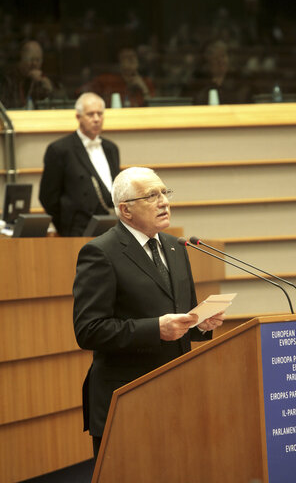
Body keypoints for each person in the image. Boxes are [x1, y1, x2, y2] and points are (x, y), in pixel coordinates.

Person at [73, 166, 225, 459]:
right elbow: (88, 330)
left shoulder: (175, 247)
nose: (164, 201)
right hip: (127, 399)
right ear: (125, 210)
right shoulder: (100, 253)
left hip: (176, 394)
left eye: (164, 193)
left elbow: (178, 318)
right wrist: (155, 329)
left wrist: (200, 324)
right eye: (151, 195)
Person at [39, 92, 120, 236]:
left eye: (100, 114)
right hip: (77, 231)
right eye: (90, 114)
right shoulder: (60, 149)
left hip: (111, 227)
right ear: (78, 117)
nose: (96, 119)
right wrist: (65, 227)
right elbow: (48, 197)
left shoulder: (111, 148)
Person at [82, 47, 155, 107]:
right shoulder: (107, 80)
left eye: (134, 56)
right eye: (127, 57)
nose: (132, 59)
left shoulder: (146, 82)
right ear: (119, 62)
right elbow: (82, 94)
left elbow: (155, 106)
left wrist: (144, 89)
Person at [0, 40, 54, 109]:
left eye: (38, 60)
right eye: (31, 59)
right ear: (22, 59)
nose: (34, 64)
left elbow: (50, 104)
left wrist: (47, 85)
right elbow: (5, 107)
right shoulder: (8, 78)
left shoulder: (39, 79)